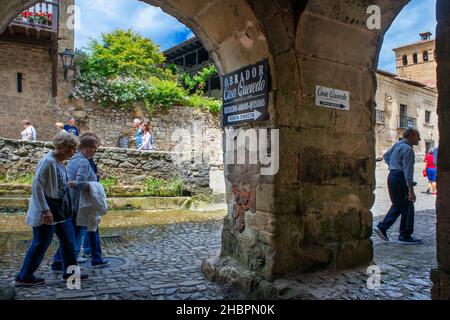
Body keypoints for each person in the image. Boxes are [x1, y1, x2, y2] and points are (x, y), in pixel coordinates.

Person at [14, 132, 89, 286]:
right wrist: (45, 210)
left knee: (68, 241)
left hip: (60, 211)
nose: (71, 153)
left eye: (73, 150)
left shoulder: (59, 161)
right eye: (69, 150)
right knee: (41, 243)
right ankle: (24, 276)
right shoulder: (47, 161)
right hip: (48, 210)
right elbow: (37, 186)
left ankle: (70, 274)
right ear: (61, 147)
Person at [51, 133, 109, 270]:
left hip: (74, 202)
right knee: (74, 236)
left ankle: (93, 257)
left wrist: (91, 178)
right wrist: (94, 183)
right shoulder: (83, 161)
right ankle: (59, 262)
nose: (95, 151)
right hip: (81, 204)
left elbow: (75, 180)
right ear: (85, 147)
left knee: (80, 233)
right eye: (93, 148)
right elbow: (82, 183)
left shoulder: (74, 159)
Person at [374, 128, 422, 244]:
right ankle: (404, 234)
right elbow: (408, 171)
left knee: (399, 204)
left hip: (392, 176)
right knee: (407, 205)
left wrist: (393, 166)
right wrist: (411, 190)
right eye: (417, 136)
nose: (419, 139)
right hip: (400, 177)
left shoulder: (397, 145)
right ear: (411, 135)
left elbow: (386, 156)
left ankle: (384, 227)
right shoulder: (408, 150)